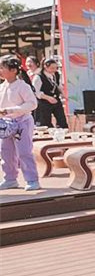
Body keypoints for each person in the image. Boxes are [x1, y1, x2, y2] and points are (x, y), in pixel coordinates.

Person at [0, 55, 40, 191]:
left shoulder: (23, 86)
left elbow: (32, 104)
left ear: (13, 70)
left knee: (24, 152)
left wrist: (10, 110)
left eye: (2, 67)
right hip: (6, 124)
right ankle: (10, 179)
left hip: (22, 122)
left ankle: (32, 180)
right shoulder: (2, 86)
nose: (0, 70)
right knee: (6, 152)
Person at [32, 57, 68, 129]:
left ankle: (62, 133)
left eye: (55, 68)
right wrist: (48, 98)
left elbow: (58, 85)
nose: (54, 70)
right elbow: (36, 92)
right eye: (52, 68)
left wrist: (64, 94)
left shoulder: (56, 75)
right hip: (44, 102)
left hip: (55, 99)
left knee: (62, 121)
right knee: (45, 123)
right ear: (45, 66)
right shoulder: (38, 77)